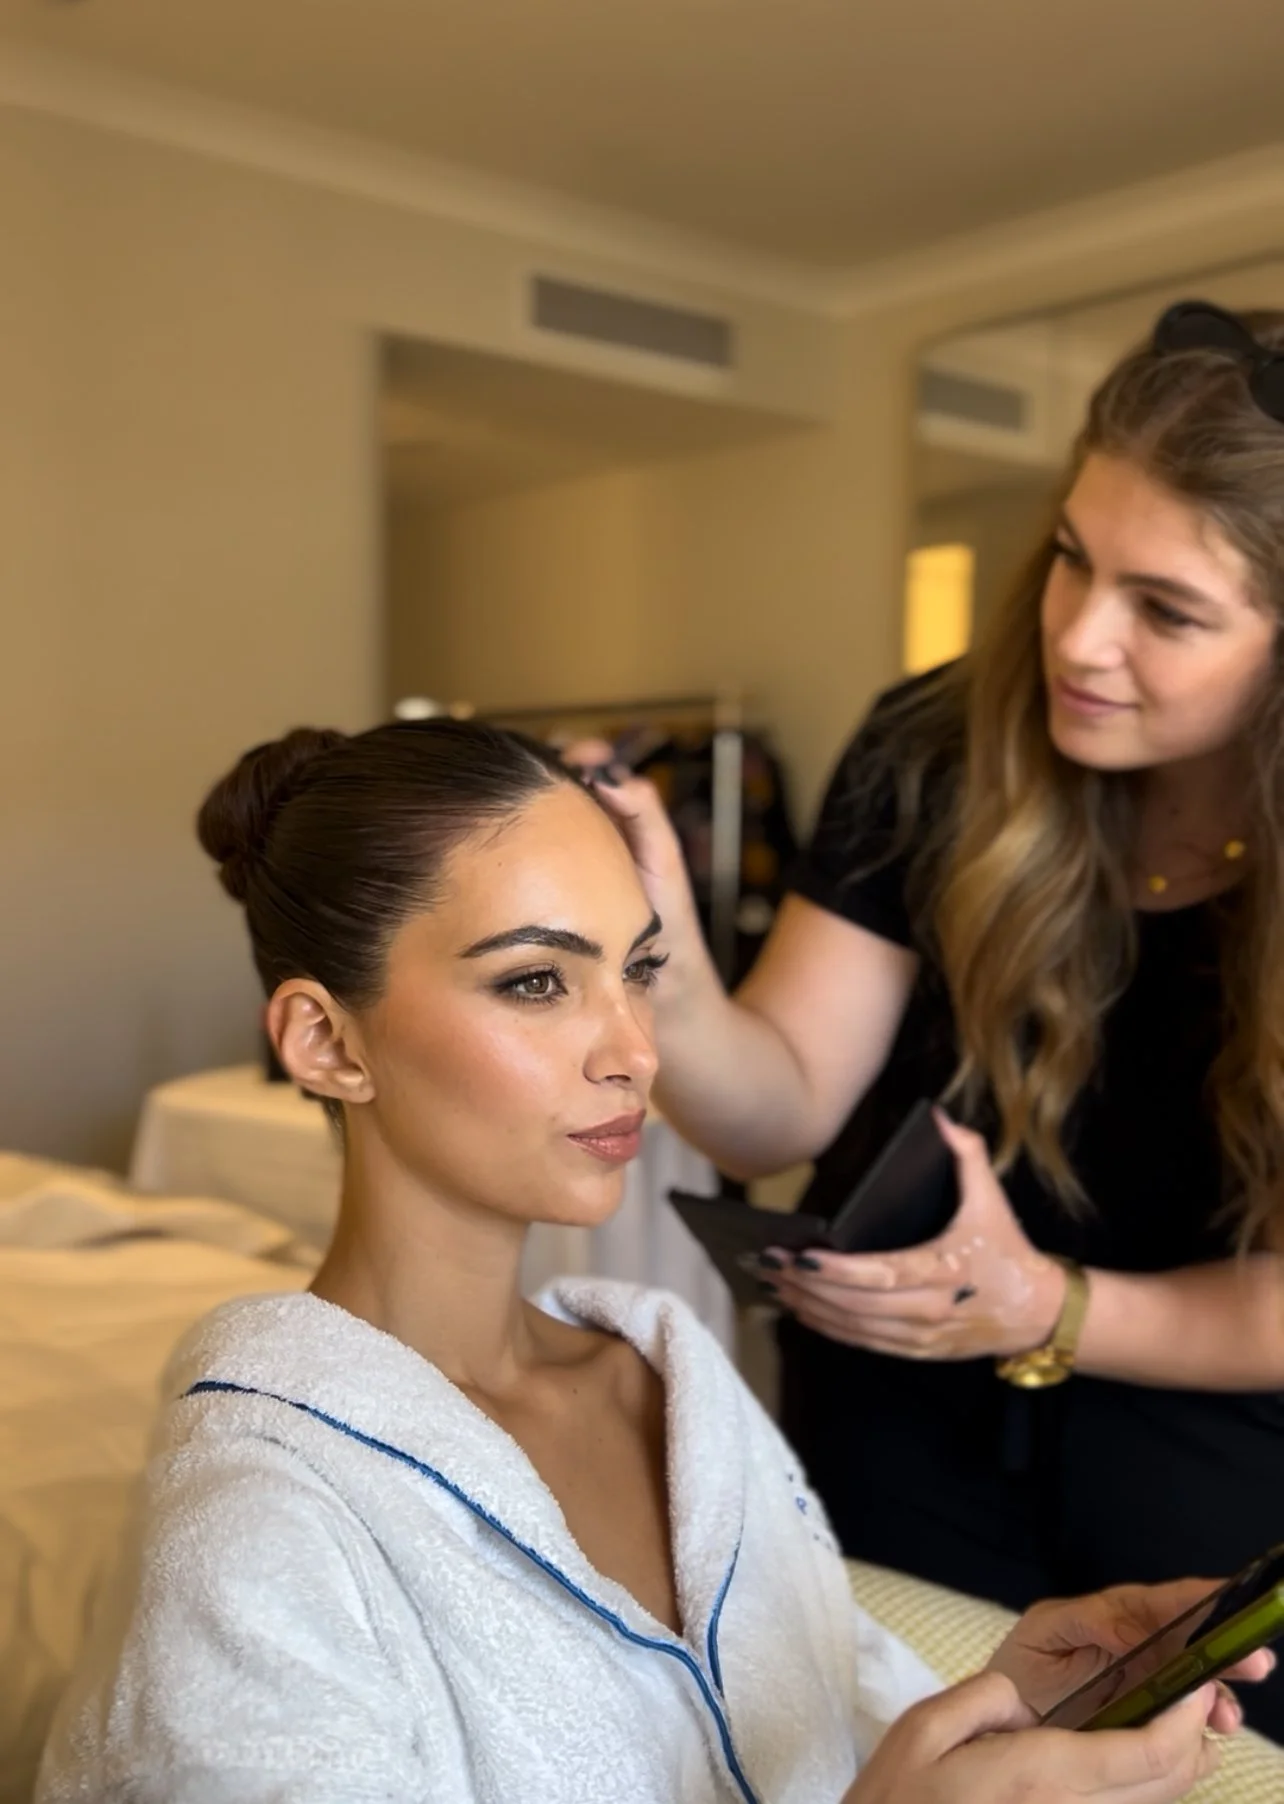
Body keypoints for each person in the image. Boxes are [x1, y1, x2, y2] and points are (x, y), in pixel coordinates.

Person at [36, 718, 1257, 1802]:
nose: (633, 1048)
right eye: (534, 981)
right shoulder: (262, 1531)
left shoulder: (671, 1384)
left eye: (640, 970)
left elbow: (808, 1720)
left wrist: (997, 1702)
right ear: (323, 1039)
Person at [568, 299, 1284, 1744]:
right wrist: (662, 956)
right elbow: (775, 1107)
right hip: (889, 1431)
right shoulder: (933, 747)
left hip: (1205, 1478)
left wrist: (1046, 1309)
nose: (1078, 636)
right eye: (1075, 556)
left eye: (1168, 610)